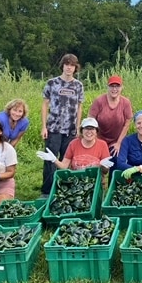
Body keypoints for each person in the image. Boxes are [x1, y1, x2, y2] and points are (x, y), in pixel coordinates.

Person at [41, 54, 84, 196]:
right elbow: (45, 104)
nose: (69, 67)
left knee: (68, 160)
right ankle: (47, 191)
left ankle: (65, 190)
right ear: (62, 66)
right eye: (66, 64)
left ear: (75, 68)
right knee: (50, 159)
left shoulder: (78, 85)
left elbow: (80, 107)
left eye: (72, 65)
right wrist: (43, 126)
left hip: (70, 130)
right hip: (53, 128)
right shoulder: (52, 83)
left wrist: (78, 127)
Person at [36, 117, 114, 188]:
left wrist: (103, 165)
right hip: (76, 183)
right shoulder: (73, 144)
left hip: (95, 183)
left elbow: (105, 172)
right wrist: (54, 160)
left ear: (96, 131)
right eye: (86, 128)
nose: (89, 131)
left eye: (92, 129)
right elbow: (64, 166)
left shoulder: (102, 145)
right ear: (81, 131)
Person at [88, 74, 133, 158]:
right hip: (99, 138)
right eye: (112, 86)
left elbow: (127, 123)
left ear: (121, 88)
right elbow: (90, 120)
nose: (114, 89)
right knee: (96, 163)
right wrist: (93, 140)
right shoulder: (99, 101)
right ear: (107, 87)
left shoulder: (126, 103)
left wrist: (119, 143)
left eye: (117, 86)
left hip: (116, 140)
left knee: (116, 161)